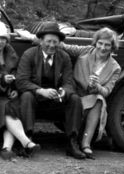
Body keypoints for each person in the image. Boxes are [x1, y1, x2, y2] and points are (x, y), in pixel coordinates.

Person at [15, 21, 85, 159]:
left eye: (55, 42)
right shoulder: (29, 54)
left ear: (59, 43)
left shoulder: (64, 57)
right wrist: (40, 91)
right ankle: (27, 140)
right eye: (48, 41)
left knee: (75, 99)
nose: (52, 45)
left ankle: (72, 142)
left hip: (55, 101)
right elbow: (21, 81)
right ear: (41, 41)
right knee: (27, 96)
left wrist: (64, 91)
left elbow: (69, 82)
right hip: (35, 100)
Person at [0, 22, 41, 160]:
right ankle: (26, 142)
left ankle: (6, 148)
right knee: (6, 107)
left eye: (3, 38)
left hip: (8, 93)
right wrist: (2, 79)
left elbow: (18, 73)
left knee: (14, 106)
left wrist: (15, 88)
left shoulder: (10, 52)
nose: (0, 42)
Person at [68, 27, 121, 159]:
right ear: (95, 43)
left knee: (99, 100)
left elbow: (107, 91)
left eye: (107, 45)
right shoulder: (86, 51)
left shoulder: (115, 68)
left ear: (112, 47)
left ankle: (86, 144)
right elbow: (64, 46)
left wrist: (97, 86)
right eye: (100, 43)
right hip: (75, 95)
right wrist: (35, 38)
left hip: (92, 98)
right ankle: (79, 142)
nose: (102, 48)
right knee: (93, 100)